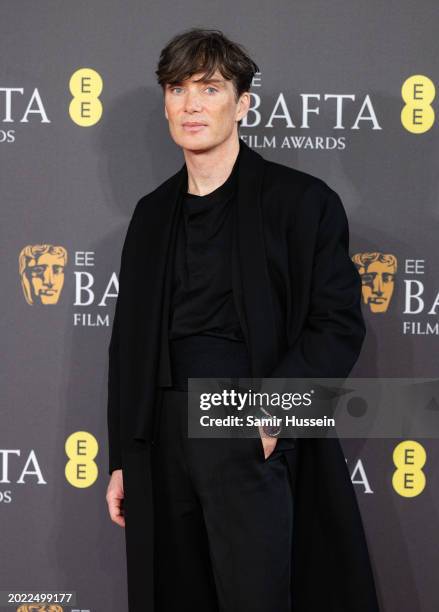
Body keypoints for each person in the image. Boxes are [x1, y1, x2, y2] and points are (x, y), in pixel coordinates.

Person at [106, 27, 380, 612]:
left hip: (244, 413)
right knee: (171, 593)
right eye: (177, 90)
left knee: (256, 596)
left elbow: (337, 324)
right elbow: (126, 345)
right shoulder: (151, 214)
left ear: (243, 103)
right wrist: (124, 454)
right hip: (159, 428)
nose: (191, 105)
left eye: (209, 88)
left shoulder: (301, 202)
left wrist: (272, 415)